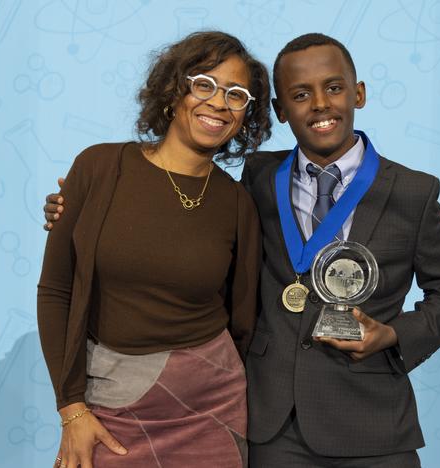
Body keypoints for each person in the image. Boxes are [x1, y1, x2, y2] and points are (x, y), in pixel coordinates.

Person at [45, 33, 440, 467]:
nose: (321, 105)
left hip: (372, 423)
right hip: (270, 425)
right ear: (280, 111)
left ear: (358, 93)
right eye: (301, 94)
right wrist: (73, 211)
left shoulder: (412, 192)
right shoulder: (256, 180)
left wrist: (394, 334)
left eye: (334, 88)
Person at [37, 31, 270, 468]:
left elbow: (243, 320)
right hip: (108, 404)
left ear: (246, 114)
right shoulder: (100, 167)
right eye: (204, 84)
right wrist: (71, 410)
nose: (219, 103)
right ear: (173, 89)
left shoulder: (238, 202)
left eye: (236, 95)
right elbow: (56, 292)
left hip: (211, 410)